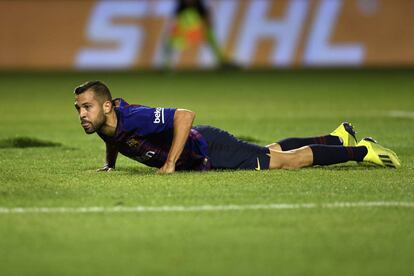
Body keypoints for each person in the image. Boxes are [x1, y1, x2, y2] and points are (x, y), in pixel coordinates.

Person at [73, 81, 401, 174]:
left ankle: (363, 150)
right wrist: (110, 164)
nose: (82, 115)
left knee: (289, 160)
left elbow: (184, 115)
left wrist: (170, 163)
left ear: (106, 106)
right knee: (272, 149)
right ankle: (337, 136)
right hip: (205, 152)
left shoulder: (133, 117)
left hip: (210, 149)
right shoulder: (106, 124)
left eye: (86, 107)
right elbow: (113, 137)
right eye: (78, 109)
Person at [163, 0, 232, 68]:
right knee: (170, 43)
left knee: (210, 35)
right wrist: (174, 30)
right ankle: (166, 65)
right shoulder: (180, 5)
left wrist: (208, 25)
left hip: (197, 31)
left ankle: (222, 61)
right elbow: (173, 20)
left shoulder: (200, 5)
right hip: (184, 33)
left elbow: (208, 19)